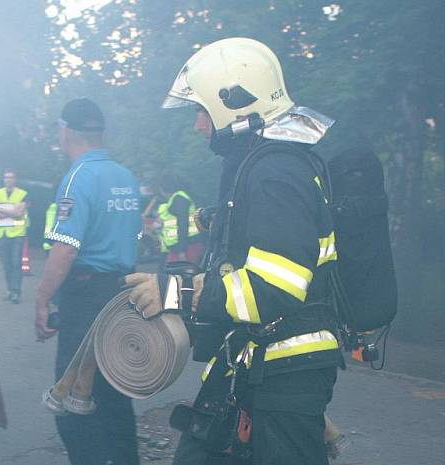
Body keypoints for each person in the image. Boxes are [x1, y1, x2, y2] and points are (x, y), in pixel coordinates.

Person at [125, 38, 340, 465]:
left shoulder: (275, 172)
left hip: (284, 371)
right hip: (256, 363)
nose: (198, 126)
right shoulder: (265, 165)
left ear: (234, 103)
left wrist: (179, 292)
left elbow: (274, 286)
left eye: (203, 111)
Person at [35, 98, 142, 465]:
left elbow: (65, 250)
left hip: (86, 296)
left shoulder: (78, 177)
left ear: (65, 132)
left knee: (72, 396)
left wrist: (42, 299)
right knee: (115, 390)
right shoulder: (125, 177)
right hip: (122, 292)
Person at [0, 169, 29, 303]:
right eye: (6, 177)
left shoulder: (22, 194)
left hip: (17, 233)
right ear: (3, 179)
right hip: (2, 233)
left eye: (11, 177)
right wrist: (11, 210)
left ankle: (16, 292)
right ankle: (9, 290)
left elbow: (19, 213)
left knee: (16, 263)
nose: (8, 180)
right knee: (6, 264)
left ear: (15, 179)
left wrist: (1, 209)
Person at [155, 174, 205, 268]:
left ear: (163, 188)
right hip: (180, 247)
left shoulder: (179, 199)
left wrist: (181, 251)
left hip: (187, 247)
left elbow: (183, 224)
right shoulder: (177, 198)